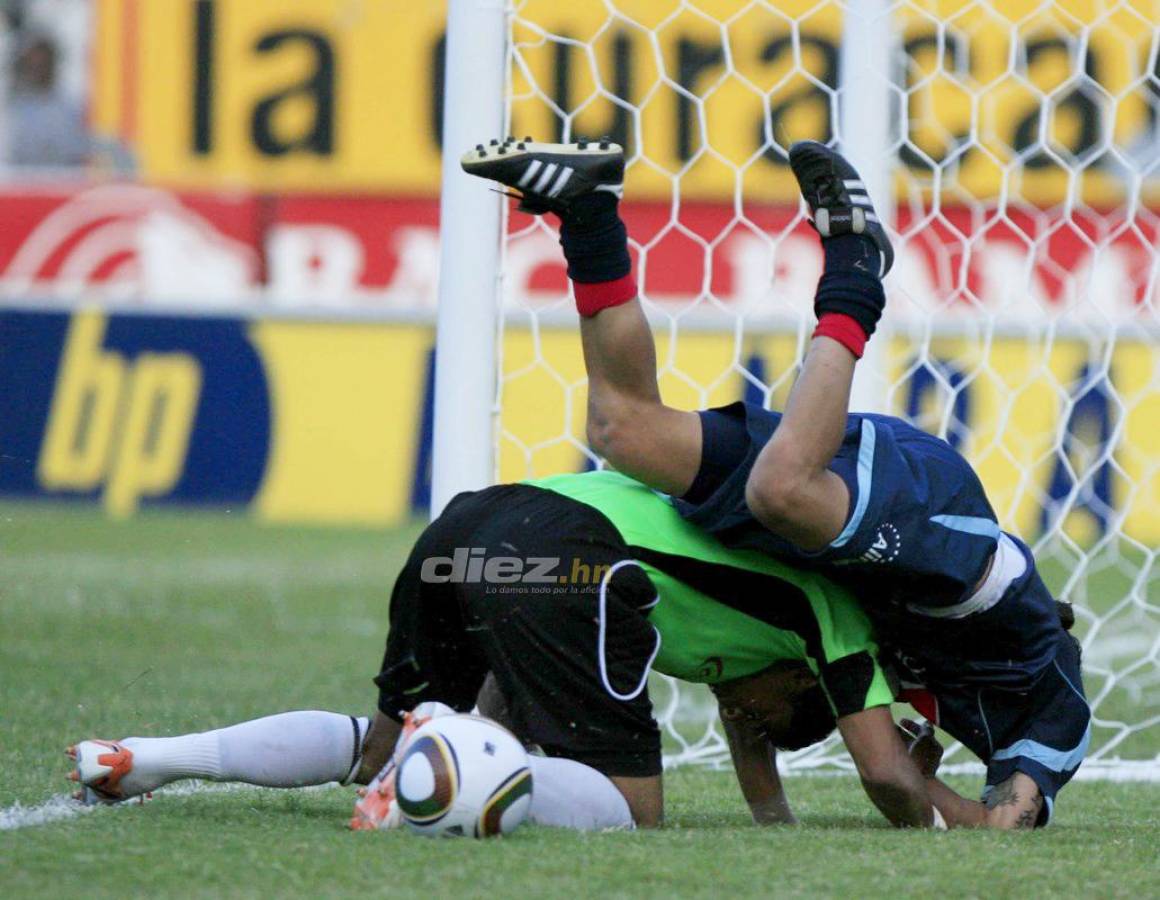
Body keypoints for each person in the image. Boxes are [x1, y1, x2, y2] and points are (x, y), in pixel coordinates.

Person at [462, 137, 1090, 828]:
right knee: (781, 490)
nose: (735, 705)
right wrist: (916, 786)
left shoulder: (1025, 706)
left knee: (624, 432)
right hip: (953, 563)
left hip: (828, 546)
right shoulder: (1035, 677)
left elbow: (1002, 822)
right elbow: (969, 811)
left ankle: (587, 213)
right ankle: (857, 266)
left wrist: (789, 813)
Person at [69, 470, 941, 830]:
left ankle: (146, 758)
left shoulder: (754, 646)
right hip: (569, 553)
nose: (741, 714)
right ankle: (430, 765)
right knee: (634, 810)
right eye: (772, 708)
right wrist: (947, 803)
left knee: (382, 743)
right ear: (800, 680)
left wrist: (777, 825)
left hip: (468, 525)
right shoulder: (831, 624)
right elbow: (888, 780)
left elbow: (757, 749)